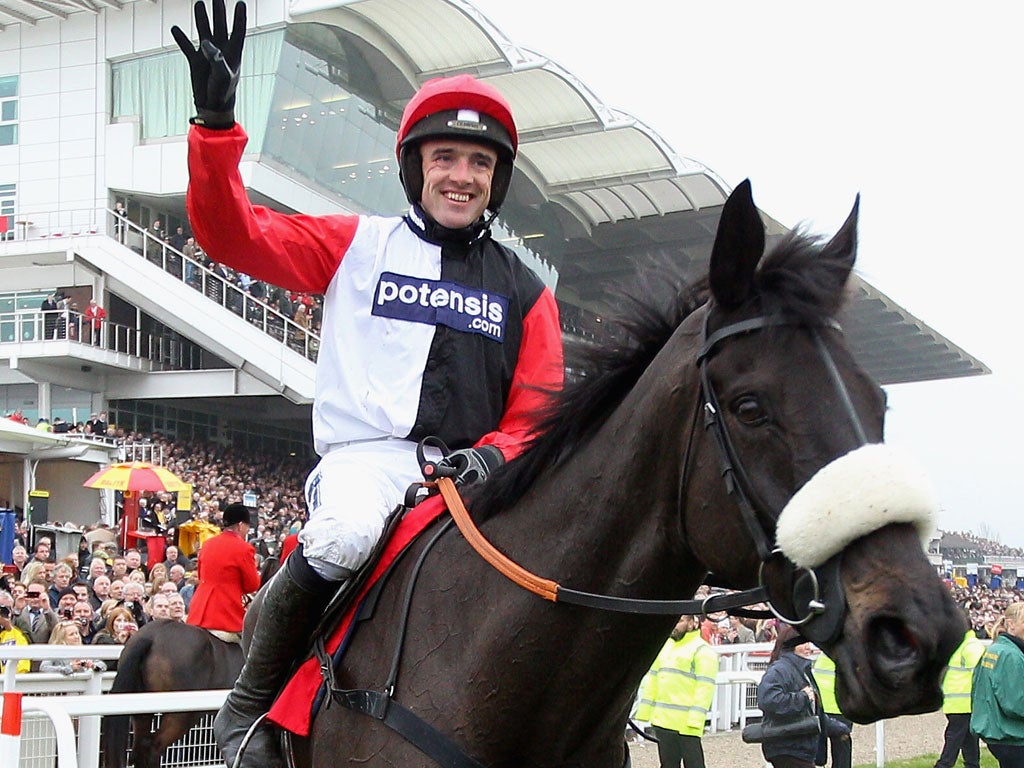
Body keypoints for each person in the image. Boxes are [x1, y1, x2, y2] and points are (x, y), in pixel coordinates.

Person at [170, 3, 564, 765]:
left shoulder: (527, 291)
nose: (462, 175)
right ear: (417, 165)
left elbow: (540, 412)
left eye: (479, 163)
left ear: (497, 179)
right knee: (347, 534)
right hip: (368, 465)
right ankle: (250, 708)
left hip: (473, 476)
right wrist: (216, 128)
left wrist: (496, 456)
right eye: (446, 157)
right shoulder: (355, 243)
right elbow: (229, 233)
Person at [756, 624, 847, 768]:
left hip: (800, 748)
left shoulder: (802, 670)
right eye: (803, 642)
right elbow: (767, 700)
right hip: (787, 748)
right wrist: (802, 697)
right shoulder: (780, 670)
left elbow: (811, 711)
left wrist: (837, 728)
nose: (808, 647)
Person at [635, 615, 719, 768]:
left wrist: (695, 720)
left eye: (680, 621)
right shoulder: (665, 647)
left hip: (687, 724)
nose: (674, 625)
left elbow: (705, 688)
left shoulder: (702, 651)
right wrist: (645, 712)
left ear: (693, 623)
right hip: (662, 721)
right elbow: (652, 679)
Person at [186, 503, 260, 633]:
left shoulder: (208, 544)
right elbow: (252, 585)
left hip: (198, 609)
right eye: (247, 527)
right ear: (240, 525)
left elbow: (201, 575)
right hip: (224, 613)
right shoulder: (244, 548)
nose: (247, 530)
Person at [971, 601, 1024, 767]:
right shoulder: (1010, 655)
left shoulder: (994, 649)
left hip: (998, 733)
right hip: (1013, 736)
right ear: (1011, 624)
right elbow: (1015, 703)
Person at [933, 621, 986, 768]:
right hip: (962, 702)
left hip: (961, 702)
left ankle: (944, 765)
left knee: (958, 739)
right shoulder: (966, 645)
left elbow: (982, 672)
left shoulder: (969, 646)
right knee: (965, 739)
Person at [812, 651, 852, 768]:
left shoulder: (823, 654)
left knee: (818, 753)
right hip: (839, 707)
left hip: (821, 707)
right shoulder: (847, 652)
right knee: (842, 753)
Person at [41, 620, 107, 675]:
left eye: (77, 633)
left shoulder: (84, 650)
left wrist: (93, 665)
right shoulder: (53, 651)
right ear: (62, 637)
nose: (76, 636)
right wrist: (69, 668)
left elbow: (103, 665)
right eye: (71, 634)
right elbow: (44, 668)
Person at [0, 590, 31, 674]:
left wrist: (7, 626)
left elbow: (22, 667)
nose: (3, 612)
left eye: (7, 609)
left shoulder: (16, 634)